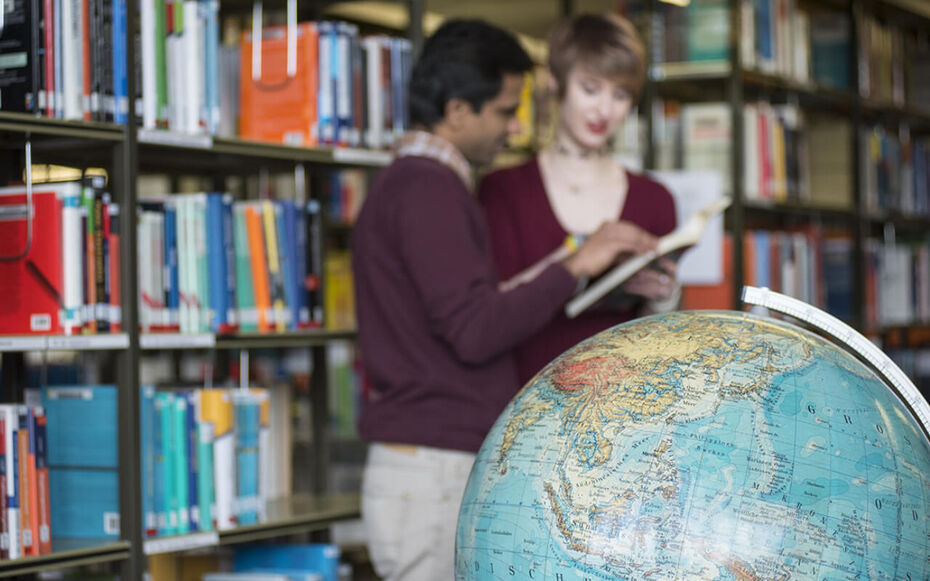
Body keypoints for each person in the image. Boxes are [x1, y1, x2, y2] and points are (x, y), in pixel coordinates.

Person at [351, 19, 661, 581]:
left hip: (436, 465)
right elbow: (474, 329)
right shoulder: (427, 190)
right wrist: (577, 266)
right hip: (432, 472)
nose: (514, 126)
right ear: (456, 111)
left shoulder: (418, 185)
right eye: (502, 111)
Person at [479, 13, 681, 387]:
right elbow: (486, 313)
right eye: (590, 89)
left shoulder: (655, 200)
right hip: (525, 400)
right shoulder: (502, 191)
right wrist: (577, 260)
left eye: (620, 95)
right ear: (556, 85)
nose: (604, 110)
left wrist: (664, 298)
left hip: (625, 406)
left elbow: (661, 336)